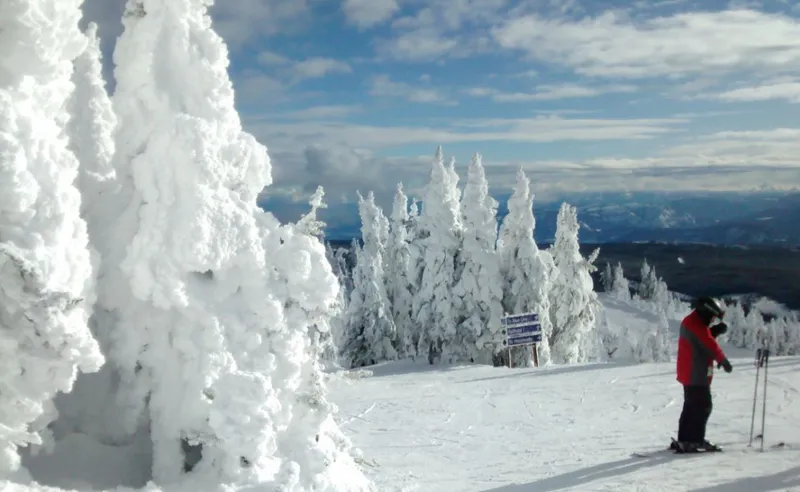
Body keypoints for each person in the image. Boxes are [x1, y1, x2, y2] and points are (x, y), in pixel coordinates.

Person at [674, 296, 733, 453]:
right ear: (706, 313)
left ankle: (685, 440)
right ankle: (694, 440)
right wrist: (723, 360)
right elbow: (708, 343)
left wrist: (714, 331)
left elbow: (702, 338)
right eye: (712, 317)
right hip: (695, 374)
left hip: (690, 372)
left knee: (691, 407)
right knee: (703, 406)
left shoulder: (693, 321)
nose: (713, 320)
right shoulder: (696, 326)